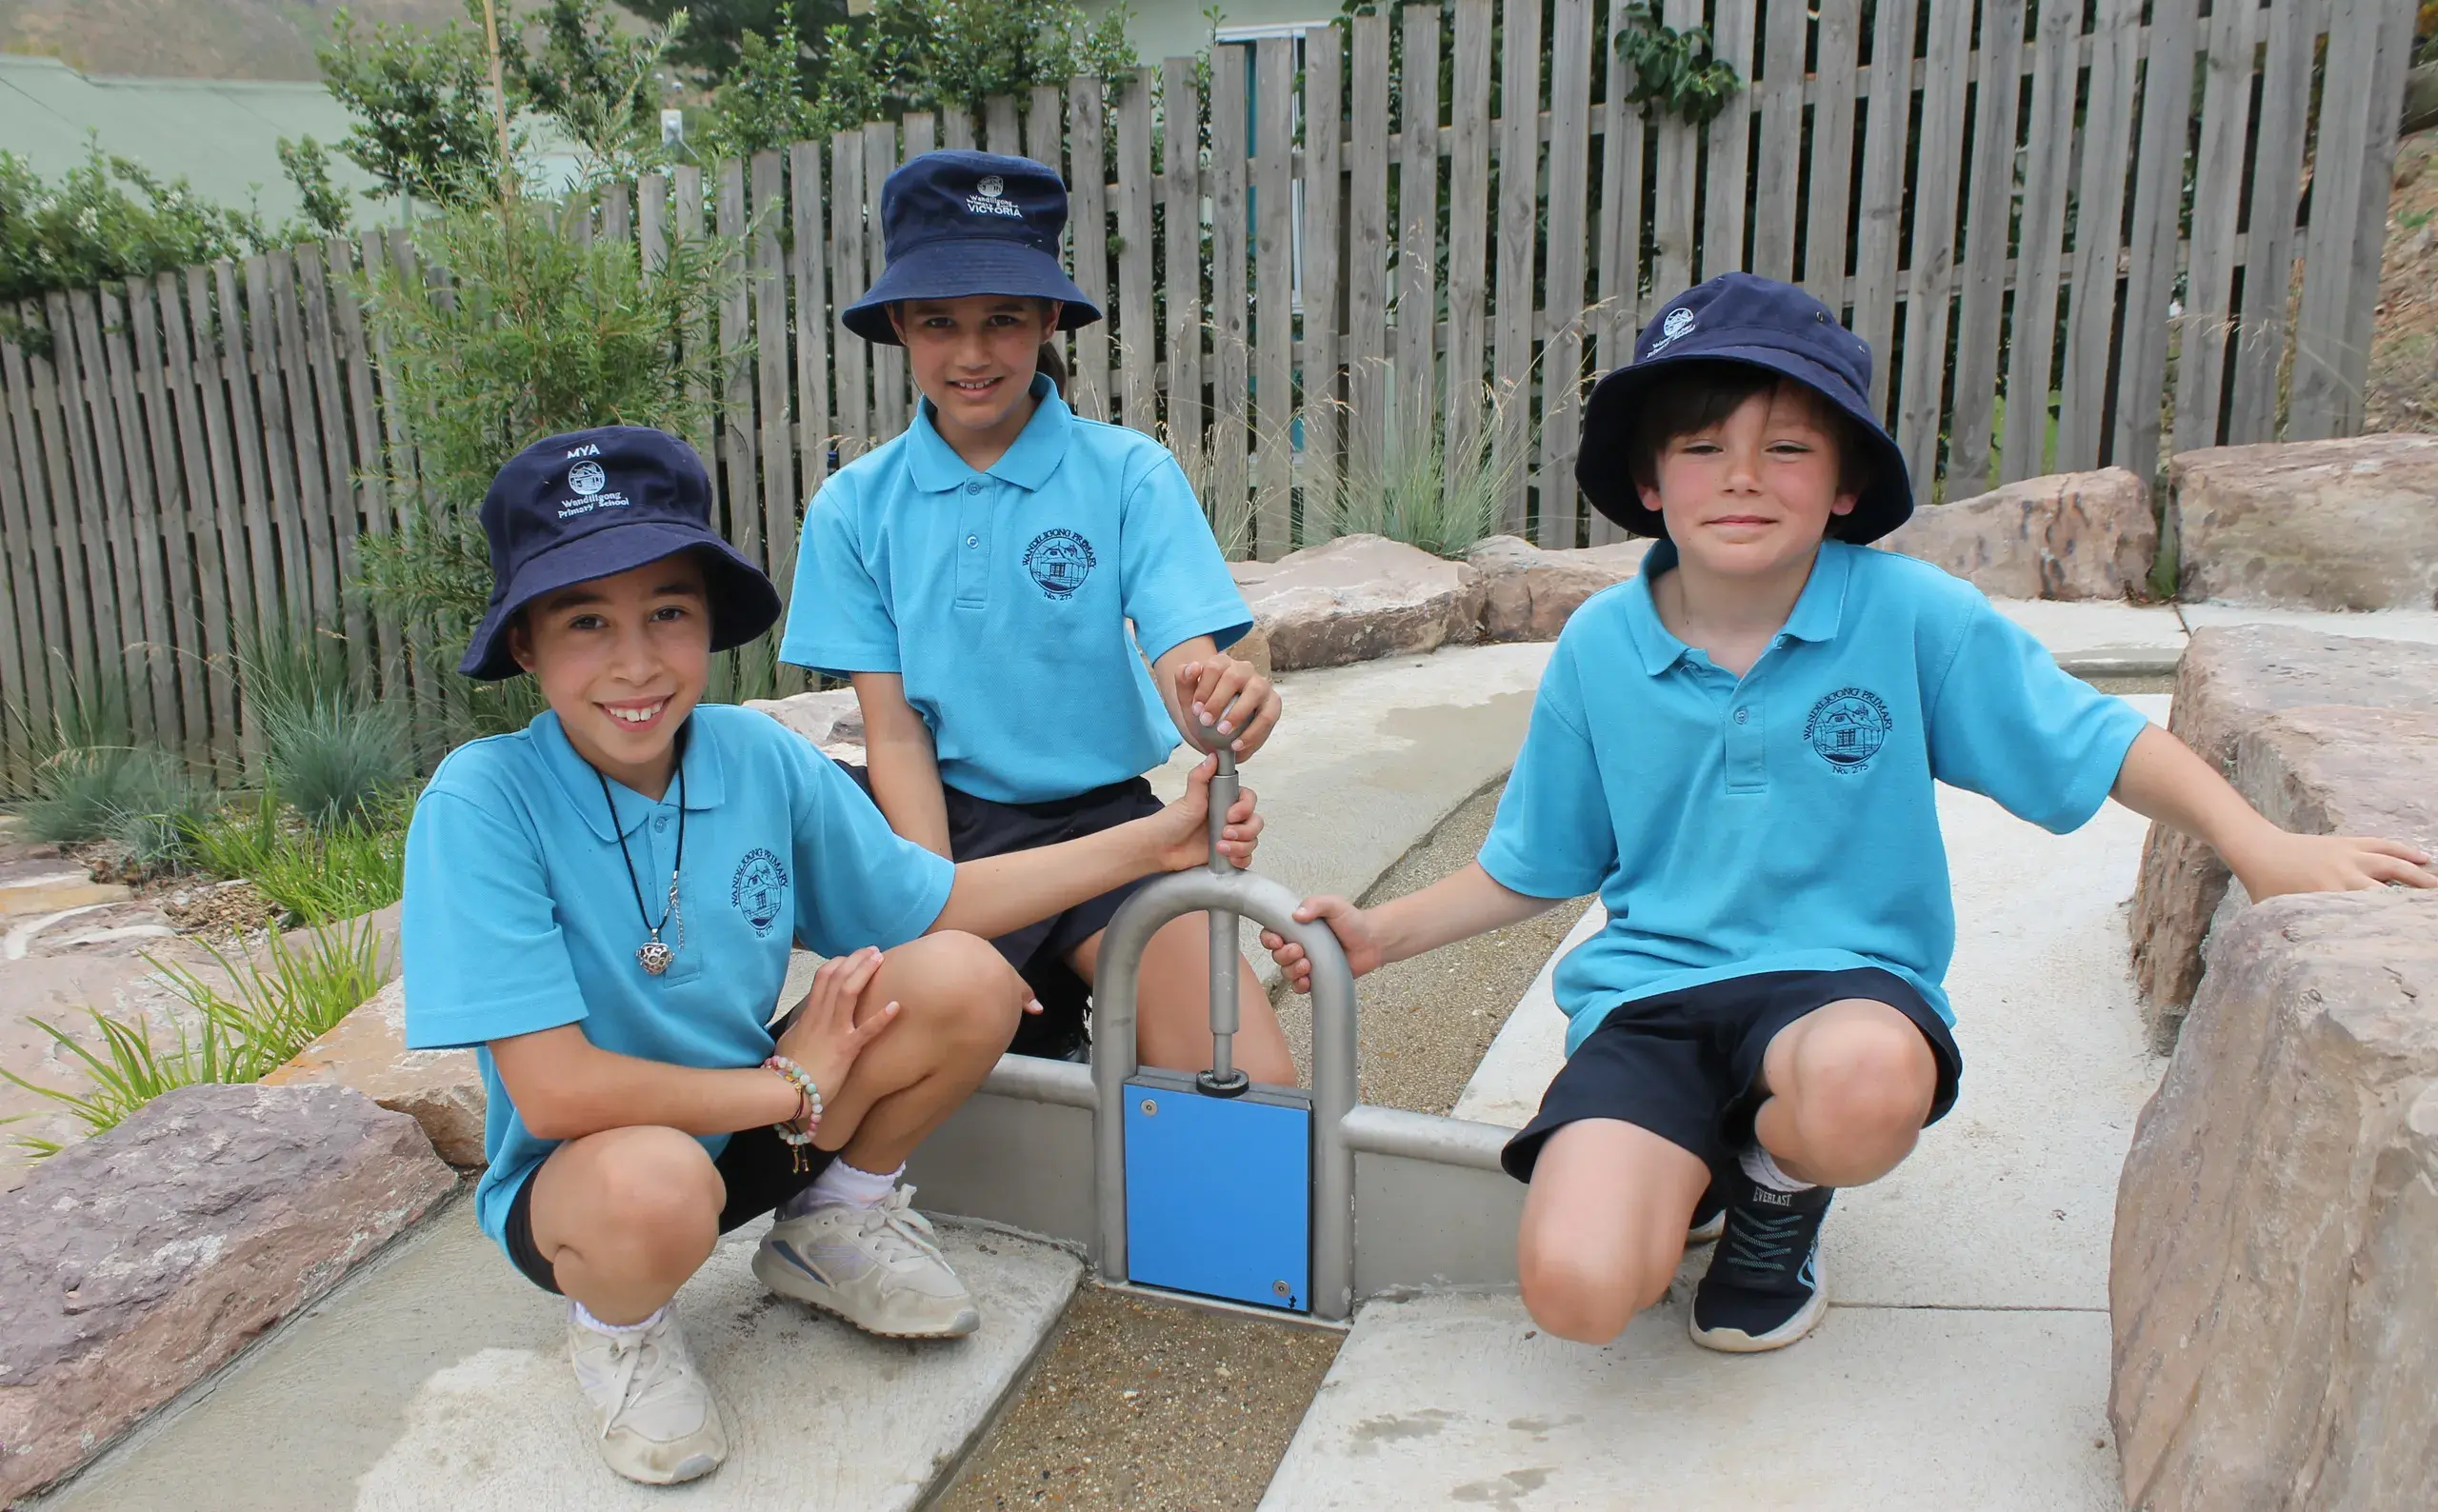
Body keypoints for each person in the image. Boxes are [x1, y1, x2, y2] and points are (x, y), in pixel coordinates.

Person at [1263, 271, 2436, 1356]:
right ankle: (1701, 1161)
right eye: (1701, 446)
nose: (1741, 475)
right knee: (1577, 1291)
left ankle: (1778, 1190)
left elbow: (2095, 739)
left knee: (1864, 1086)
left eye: (1785, 446)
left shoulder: (1910, 613)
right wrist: (1377, 934)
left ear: (1844, 483)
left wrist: (2259, 841)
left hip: (1841, 989)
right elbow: (1538, 858)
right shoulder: (1600, 646)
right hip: (1653, 999)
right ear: (1647, 480)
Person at [402, 426, 1263, 1485]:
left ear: (708, 621)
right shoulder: (484, 801)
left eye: (668, 612)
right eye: (587, 622)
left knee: (964, 976)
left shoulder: (754, 755)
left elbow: (935, 901)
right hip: (602, 1178)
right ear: (526, 644)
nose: (636, 662)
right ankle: (620, 1328)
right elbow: (557, 1091)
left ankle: (832, 1218)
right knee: (652, 1186)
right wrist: (790, 1083)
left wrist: (1158, 841)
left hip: (765, 1119)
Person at [781, 149, 1295, 1084]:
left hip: (1110, 827)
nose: (972, 353)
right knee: (896, 1062)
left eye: (1003, 319)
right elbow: (893, 732)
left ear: (1049, 318)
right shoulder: (853, 507)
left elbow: (1188, 674)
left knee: (1250, 1089)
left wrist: (1222, 705)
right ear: (899, 324)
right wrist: (933, 907)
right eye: (940, 321)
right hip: (944, 825)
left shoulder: (1130, 474)